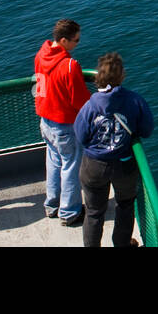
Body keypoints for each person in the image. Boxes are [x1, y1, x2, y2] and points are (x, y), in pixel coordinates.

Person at [74, 52, 154, 248]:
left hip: (93, 165)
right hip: (123, 164)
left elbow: (80, 135)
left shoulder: (90, 105)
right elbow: (147, 130)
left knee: (94, 212)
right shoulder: (134, 101)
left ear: (98, 77)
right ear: (122, 76)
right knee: (125, 206)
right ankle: (122, 244)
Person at [34, 18, 91, 225]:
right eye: (76, 40)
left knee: (53, 162)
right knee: (71, 167)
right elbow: (79, 101)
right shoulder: (69, 66)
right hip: (65, 125)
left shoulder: (40, 55)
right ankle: (69, 212)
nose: (78, 44)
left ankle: (52, 205)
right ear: (65, 40)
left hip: (45, 120)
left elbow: (40, 87)